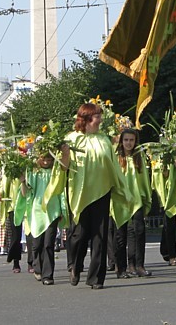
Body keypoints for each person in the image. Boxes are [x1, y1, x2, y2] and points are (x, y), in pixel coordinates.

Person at [45, 102, 131, 290]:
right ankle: (75, 266)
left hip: (101, 191)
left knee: (100, 235)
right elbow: (64, 167)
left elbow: (114, 166)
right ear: (87, 118)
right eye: (98, 116)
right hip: (79, 193)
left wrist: (121, 187)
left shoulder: (104, 140)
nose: (101, 119)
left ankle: (96, 278)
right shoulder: (71, 139)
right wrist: (65, 154)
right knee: (78, 235)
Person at [111, 128, 153, 279]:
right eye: (126, 140)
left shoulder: (139, 156)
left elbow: (143, 180)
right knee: (120, 234)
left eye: (131, 140)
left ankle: (138, 265)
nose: (129, 143)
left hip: (136, 199)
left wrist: (145, 196)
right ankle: (121, 268)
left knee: (139, 231)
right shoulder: (115, 158)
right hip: (120, 200)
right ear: (121, 141)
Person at [20, 153, 66, 285]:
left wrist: (62, 210)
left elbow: (61, 192)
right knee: (37, 243)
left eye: (49, 159)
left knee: (49, 244)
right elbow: (25, 193)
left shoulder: (56, 173)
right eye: (43, 159)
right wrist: (22, 180)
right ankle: (38, 268)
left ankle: (48, 275)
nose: (46, 162)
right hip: (37, 212)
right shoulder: (34, 172)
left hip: (53, 211)